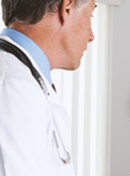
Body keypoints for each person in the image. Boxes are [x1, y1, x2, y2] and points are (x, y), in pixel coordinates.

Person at [0, 0, 96, 175]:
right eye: (90, 14)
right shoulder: (12, 88)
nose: (91, 36)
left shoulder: (26, 79)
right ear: (66, 8)